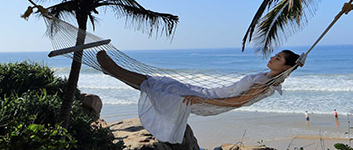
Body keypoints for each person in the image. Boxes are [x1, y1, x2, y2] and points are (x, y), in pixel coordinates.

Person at [96, 49, 302, 143]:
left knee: (164, 90)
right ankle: (114, 69)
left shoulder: (263, 85)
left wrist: (202, 100)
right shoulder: (272, 78)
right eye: (276, 55)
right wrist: (298, 63)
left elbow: (238, 101)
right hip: (207, 94)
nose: (273, 57)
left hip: (211, 101)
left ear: (283, 66)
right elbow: (283, 76)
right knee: (164, 83)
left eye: (278, 58)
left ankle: (113, 70)